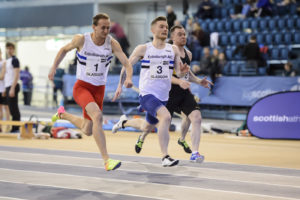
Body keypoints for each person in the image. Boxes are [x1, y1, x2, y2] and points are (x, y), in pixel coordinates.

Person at [112, 24, 212, 164]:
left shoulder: (185, 54)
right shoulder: (157, 50)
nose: (183, 36)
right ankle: (162, 154)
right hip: (159, 94)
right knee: (155, 122)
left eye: (184, 34)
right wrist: (122, 83)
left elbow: (184, 74)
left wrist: (197, 80)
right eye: (180, 34)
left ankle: (194, 152)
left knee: (193, 117)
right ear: (172, 37)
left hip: (175, 94)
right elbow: (167, 75)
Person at [48, 13, 133, 171]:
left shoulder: (112, 43)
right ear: (94, 27)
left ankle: (62, 114)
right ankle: (107, 160)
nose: (106, 30)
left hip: (99, 90)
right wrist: (54, 67)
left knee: (87, 129)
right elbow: (63, 50)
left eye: (108, 27)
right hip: (82, 87)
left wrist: (128, 79)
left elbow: (127, 63)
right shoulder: (82, 39)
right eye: (103, 27)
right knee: (98, 116)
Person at [5, 42, 21, 132]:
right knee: (11, 108)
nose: (9, 50)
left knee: (14, 108)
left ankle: (16, 128)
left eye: (11, 49)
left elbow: (16, 74)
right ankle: (14, 127)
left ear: (13, 50)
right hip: (8, 85)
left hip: (13, 85)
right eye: (8, 49)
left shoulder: (15, 60)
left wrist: (12, 88)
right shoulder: (7, 61)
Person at [0, 48, 10, 132]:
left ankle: (8, 125)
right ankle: (0, 127)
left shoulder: (4, 62)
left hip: (3, 88)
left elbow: (2, 77)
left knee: (6, 108)